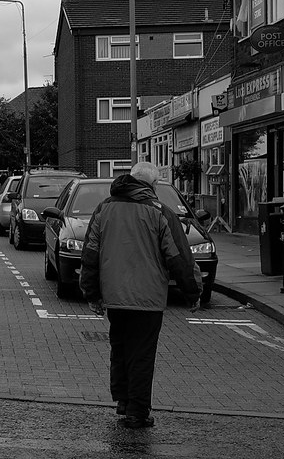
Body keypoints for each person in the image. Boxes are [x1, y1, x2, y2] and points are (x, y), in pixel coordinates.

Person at [79, 161, 202, 429]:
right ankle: (137, 411)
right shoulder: (160, 212)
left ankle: (123, 401)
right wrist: (192, 292)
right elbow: (178, 257)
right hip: (147, 299)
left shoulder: (104, 208)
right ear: (153, 185)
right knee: (142, 354)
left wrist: (91, 293)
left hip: (114, 296)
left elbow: (90, 253)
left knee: (120, 349)